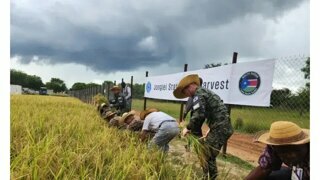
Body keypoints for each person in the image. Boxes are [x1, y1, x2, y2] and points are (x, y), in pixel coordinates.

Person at [173, 74, 233, 180]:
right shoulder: (203, 92)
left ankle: (210, 177)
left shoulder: (198, 94)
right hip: (219, 127)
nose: (187, 95)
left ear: (190, 86)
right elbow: (217, 111)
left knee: (206, 154)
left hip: (220, 128)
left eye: (185, 92)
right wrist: (211, 128)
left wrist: (188, 127)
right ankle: (208, 177)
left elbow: (199, 115)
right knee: (207, 154)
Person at [245, 121, 309, 180]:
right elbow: (264, 169)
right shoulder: (274, 147)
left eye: (296, 150)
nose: (291, 155)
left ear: (305, 144)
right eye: (283, 152)